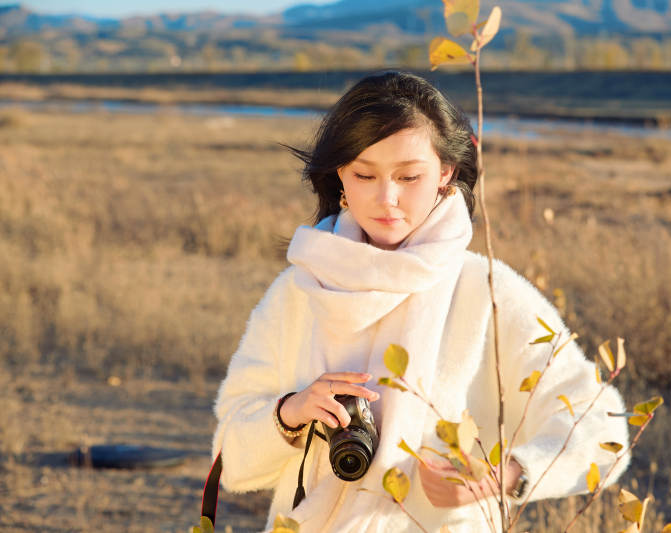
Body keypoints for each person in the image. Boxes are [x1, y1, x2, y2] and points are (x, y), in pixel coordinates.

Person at [211, 71, 629, 533]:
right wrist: (291, 413)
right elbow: (228, 460)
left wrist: (504, 476)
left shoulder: (484, 290)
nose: (386, 198)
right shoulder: (300, 290)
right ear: (340, 177)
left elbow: (602, 425)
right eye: (364, 174)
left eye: (409, 176)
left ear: (446, 173)